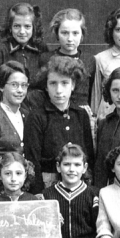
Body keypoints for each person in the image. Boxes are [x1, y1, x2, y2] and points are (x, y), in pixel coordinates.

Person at [25, 55, 94, 193]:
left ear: (73, 85)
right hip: (47, 182)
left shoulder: (81, 114)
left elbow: (89, 154)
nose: (59, 90)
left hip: (78, 181)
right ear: (46, 85)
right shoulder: (37, 116)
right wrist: (39, 194)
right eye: (53, 83)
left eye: (64, 83)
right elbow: (33, 160)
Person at [0, 3, 45, 110]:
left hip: (36, 109)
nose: (22, 31)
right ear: (10, 27)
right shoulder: (0, 50)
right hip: (9, 108)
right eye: (17, 26)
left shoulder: (41, 49)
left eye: (27, 26)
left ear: (34, 28)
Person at [40, 8, 95, 111]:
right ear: (57, 33)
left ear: (82, 34)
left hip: (81, 112)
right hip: (54, 111)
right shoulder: (46, 58)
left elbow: (92, 91)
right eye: (64, 33)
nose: (70, 39)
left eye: (75, 33)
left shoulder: (89, 60)